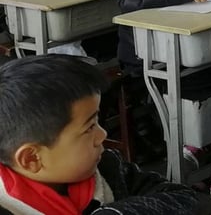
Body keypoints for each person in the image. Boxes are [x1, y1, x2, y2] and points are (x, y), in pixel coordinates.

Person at [0, 54, 197, 214]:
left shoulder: (108, 168)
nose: (103, 134)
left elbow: (181, 196)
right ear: (31, 158)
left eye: (97, 122)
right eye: (89, 128)